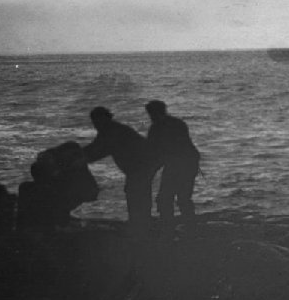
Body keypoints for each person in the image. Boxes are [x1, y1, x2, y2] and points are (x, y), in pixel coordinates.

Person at [83, 106, 154, 236]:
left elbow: (100, 150)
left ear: (105, 119)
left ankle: (140, 225)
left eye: (97, 121)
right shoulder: (107, 130)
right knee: (135, 191)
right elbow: (95, 147)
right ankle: (141, 222)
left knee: (136, 192)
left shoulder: (113, 131)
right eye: (94, 122)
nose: (95, 125)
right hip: (139, 166)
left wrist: (82, 158)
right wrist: (79, 154)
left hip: (141, 164)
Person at [145, 100, 201, 239]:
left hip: (181, 164)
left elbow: (157, 152)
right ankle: (186, 227)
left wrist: (150, 171)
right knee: (178, 198)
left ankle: (172, 229)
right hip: (186, 163)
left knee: (171, 198)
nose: (151, 116)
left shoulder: (159, 128)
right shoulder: (176, 124)